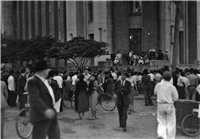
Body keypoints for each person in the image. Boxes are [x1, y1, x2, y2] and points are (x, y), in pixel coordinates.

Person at [27, 60, 60, 139]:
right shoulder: (33, 81)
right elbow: (35, 98)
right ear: (43, 70)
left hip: (51, 113)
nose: (48, 70)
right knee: (39, 136)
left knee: (55, 135)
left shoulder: (44, 81)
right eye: (47, 69)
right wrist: (45, 110)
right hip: (41, 116)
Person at [154, 71, 178, 139]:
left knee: (161, 122)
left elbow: (155, 93)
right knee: (171, 123)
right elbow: (176, 98)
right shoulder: (172, 87)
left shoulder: (158, 85)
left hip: (160, 104)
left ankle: (162, 136)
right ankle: (170, 137)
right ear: (170, 79)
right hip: (169, 105)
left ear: (163, 77)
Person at [0, 73, 8, 139]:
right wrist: (5, 100)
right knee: (1, 120)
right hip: (1, 101)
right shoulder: (3, 83)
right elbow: (6, 94)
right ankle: (1, 136)